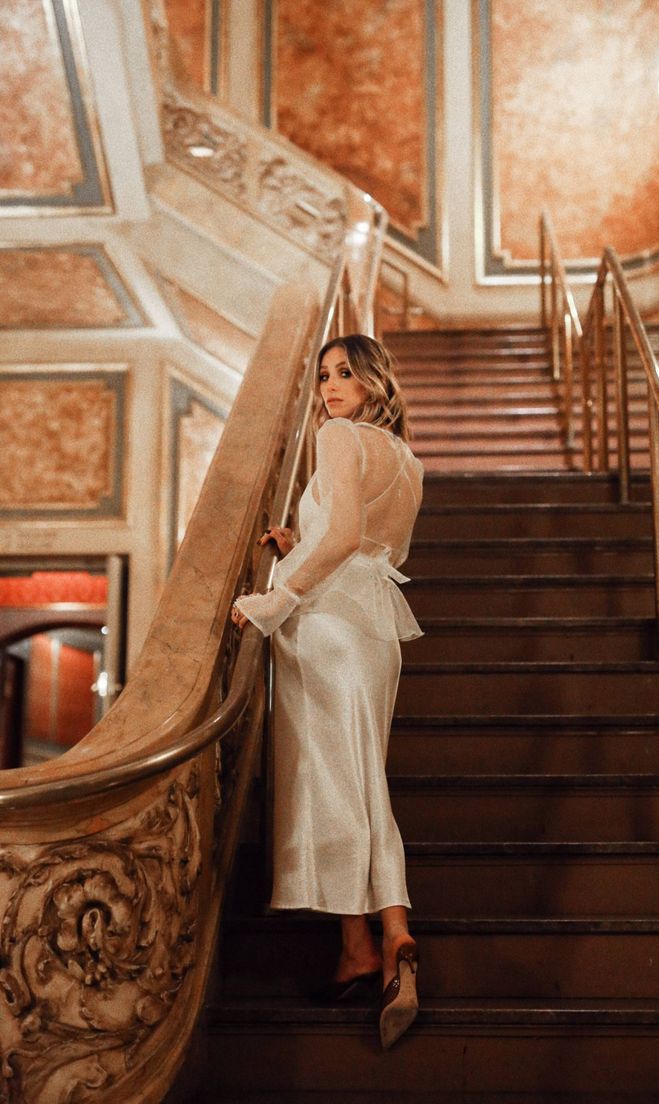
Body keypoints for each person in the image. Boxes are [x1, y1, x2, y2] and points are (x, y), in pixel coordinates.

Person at [231, 333, 424, 1049]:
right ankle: (380, 937)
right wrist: (297, 544)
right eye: (323, 376)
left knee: (330, 781)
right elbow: (377, 545)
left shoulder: (338, 436)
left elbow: (343, 533)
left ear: (374, 382)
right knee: (359, 777)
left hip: (328, 629)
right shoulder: (408, 460)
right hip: (374, 631)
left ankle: (372, 938)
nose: (330, 388)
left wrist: (275, 599)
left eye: (345, 373)